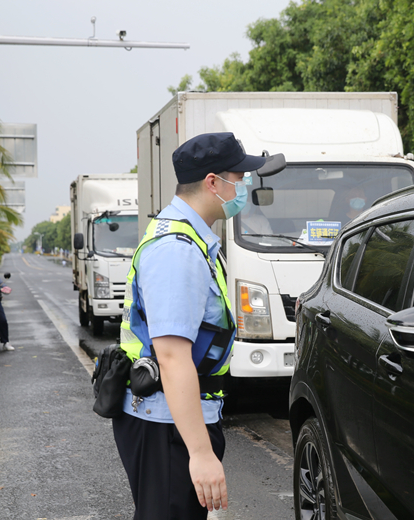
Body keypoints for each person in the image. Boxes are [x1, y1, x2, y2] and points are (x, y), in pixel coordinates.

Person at [114, 132, 265, 519]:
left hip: (174, 420)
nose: (244, 185)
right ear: (214, 182)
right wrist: (199, 453)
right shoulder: (176, 251)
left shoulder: (190, 239)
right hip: (168, 427)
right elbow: (171, 355)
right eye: (239, 176)